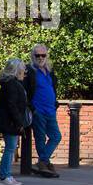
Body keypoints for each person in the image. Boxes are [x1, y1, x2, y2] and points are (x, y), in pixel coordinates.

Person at [24, 43, 61, 177]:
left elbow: (52, 88)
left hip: (50, 110)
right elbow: (25, 91)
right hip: (38, 110)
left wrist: (55, 102)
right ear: (33, 56)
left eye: (43, 55)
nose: (40, 58)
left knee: (56, 136)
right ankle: (44, 163)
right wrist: (31, 108)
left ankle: (42, 162)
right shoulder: (30, 71)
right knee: (39, 137)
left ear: (46, 56)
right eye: (37, 55)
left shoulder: (49, 71)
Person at [0, 58, 30, 185]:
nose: (25, 71)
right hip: (10, 122)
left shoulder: (12, 83)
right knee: (10, 148)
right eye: (23, 68)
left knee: (11, 148)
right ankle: (4, 176)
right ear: (17, 70)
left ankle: (7, 174)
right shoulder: (11, 84)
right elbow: (12, 105)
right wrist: (19, 123)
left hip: (9, 121)